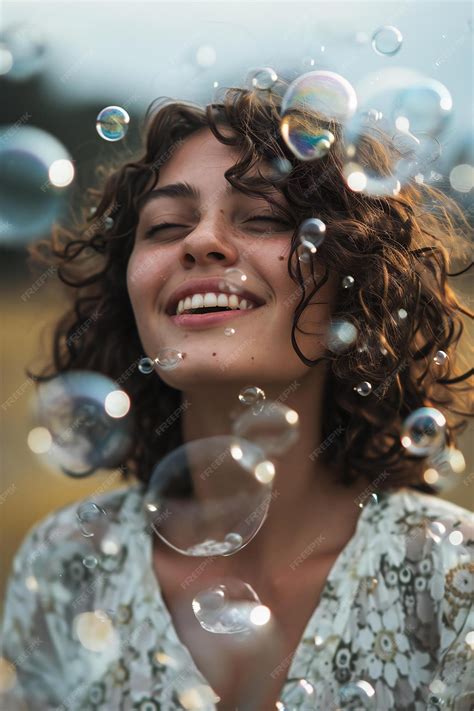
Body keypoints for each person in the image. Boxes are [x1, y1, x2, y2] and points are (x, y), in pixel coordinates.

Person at [1, 82, 473, 711]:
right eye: (166, 226)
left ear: (353, 280)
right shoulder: (67, 565)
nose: (201, 242)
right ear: (130, 292)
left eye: (266, 218)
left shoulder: (452, 578)